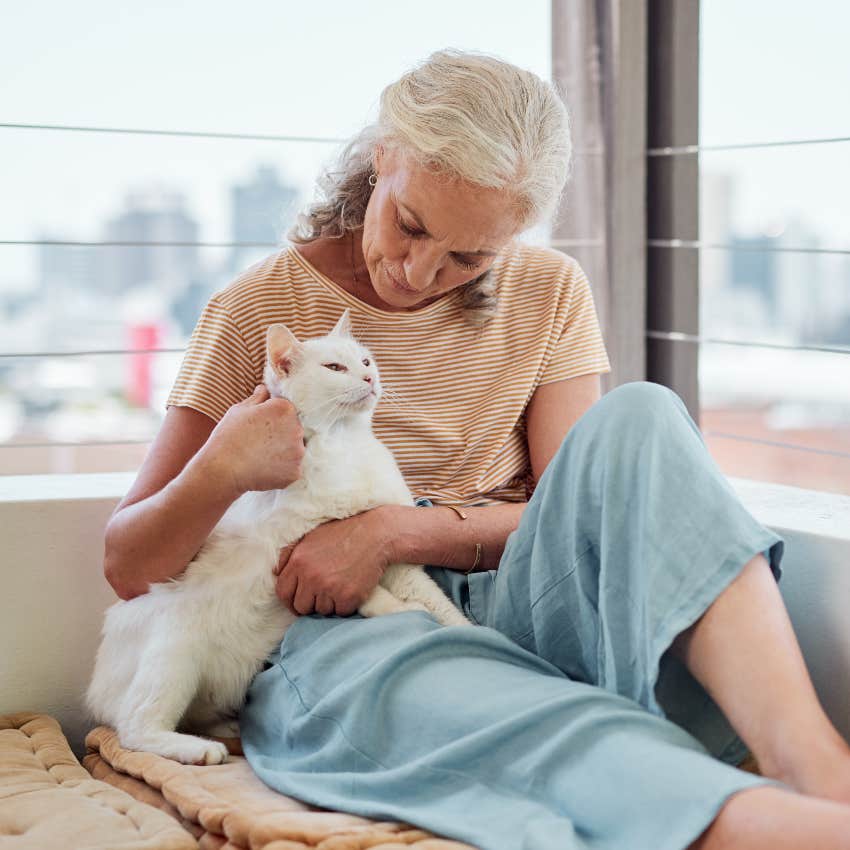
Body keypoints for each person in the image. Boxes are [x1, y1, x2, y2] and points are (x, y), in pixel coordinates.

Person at [103, 49, 850, 850]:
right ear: (382, 156)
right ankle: (760, 825)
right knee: (518, 714)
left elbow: (575, 515)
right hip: (339, 630)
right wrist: (222, 467)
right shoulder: (263, 309)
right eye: (411, 225)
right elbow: (128, 565)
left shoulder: (552, 292)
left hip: (517, 594)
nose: (421, 271)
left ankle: (815, 766)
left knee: (643, 415)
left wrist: (395, 531)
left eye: (470, 257)